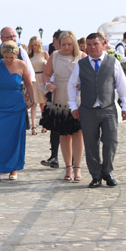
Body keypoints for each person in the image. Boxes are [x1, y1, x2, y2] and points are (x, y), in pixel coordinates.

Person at [68, 32, 126, 188]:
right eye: (89, 44)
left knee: (111, 140)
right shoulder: (81, 64)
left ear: (103, 44)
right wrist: (73, 106)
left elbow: (122, 85)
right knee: (91, 144)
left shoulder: (113, 62)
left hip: (108, 108)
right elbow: (71, 85)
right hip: (87, 109)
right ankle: (96, 175)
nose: (92, 47)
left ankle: (107, 171)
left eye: (95, 44)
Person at [0, 27, 36, 168]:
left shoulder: (22, 58)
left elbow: (30, 80)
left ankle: (14, 167)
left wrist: (31, 98)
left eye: (13, 36)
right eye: (5, 57)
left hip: (16, 102)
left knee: (15, 135)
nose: (8, 60)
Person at [40, 31, 86, 182]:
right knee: (64, 134)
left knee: (78, 134)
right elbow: (46, 74)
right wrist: (48, 84)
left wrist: (83, 84)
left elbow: (89, 76)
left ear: (74, 43)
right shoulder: (55, 56)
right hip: (59, 95)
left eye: (69, 44)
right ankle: (68, 167)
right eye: (63, 44)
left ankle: (77, 168)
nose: (66, 47)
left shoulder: (82, 56)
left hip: (77, 97)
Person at [41, 29, 62, 168]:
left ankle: (72, 160)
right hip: (53, 93)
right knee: (54, 127)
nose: (53, 44)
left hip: (67, 95)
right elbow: (46, 74)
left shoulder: (75, 56)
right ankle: (54, 156)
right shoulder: (53, 55)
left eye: (55, 41)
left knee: (69, 128)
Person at [27, 36, 48, 135]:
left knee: (43, 103)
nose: (34, 46)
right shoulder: (29, 55)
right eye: (33, 45)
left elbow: (49, 67)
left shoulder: (44, 53)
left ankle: (45, 125)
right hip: (33, 80)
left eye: (36, 44)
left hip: (42, 79)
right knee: (33, 103)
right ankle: (34, 127)